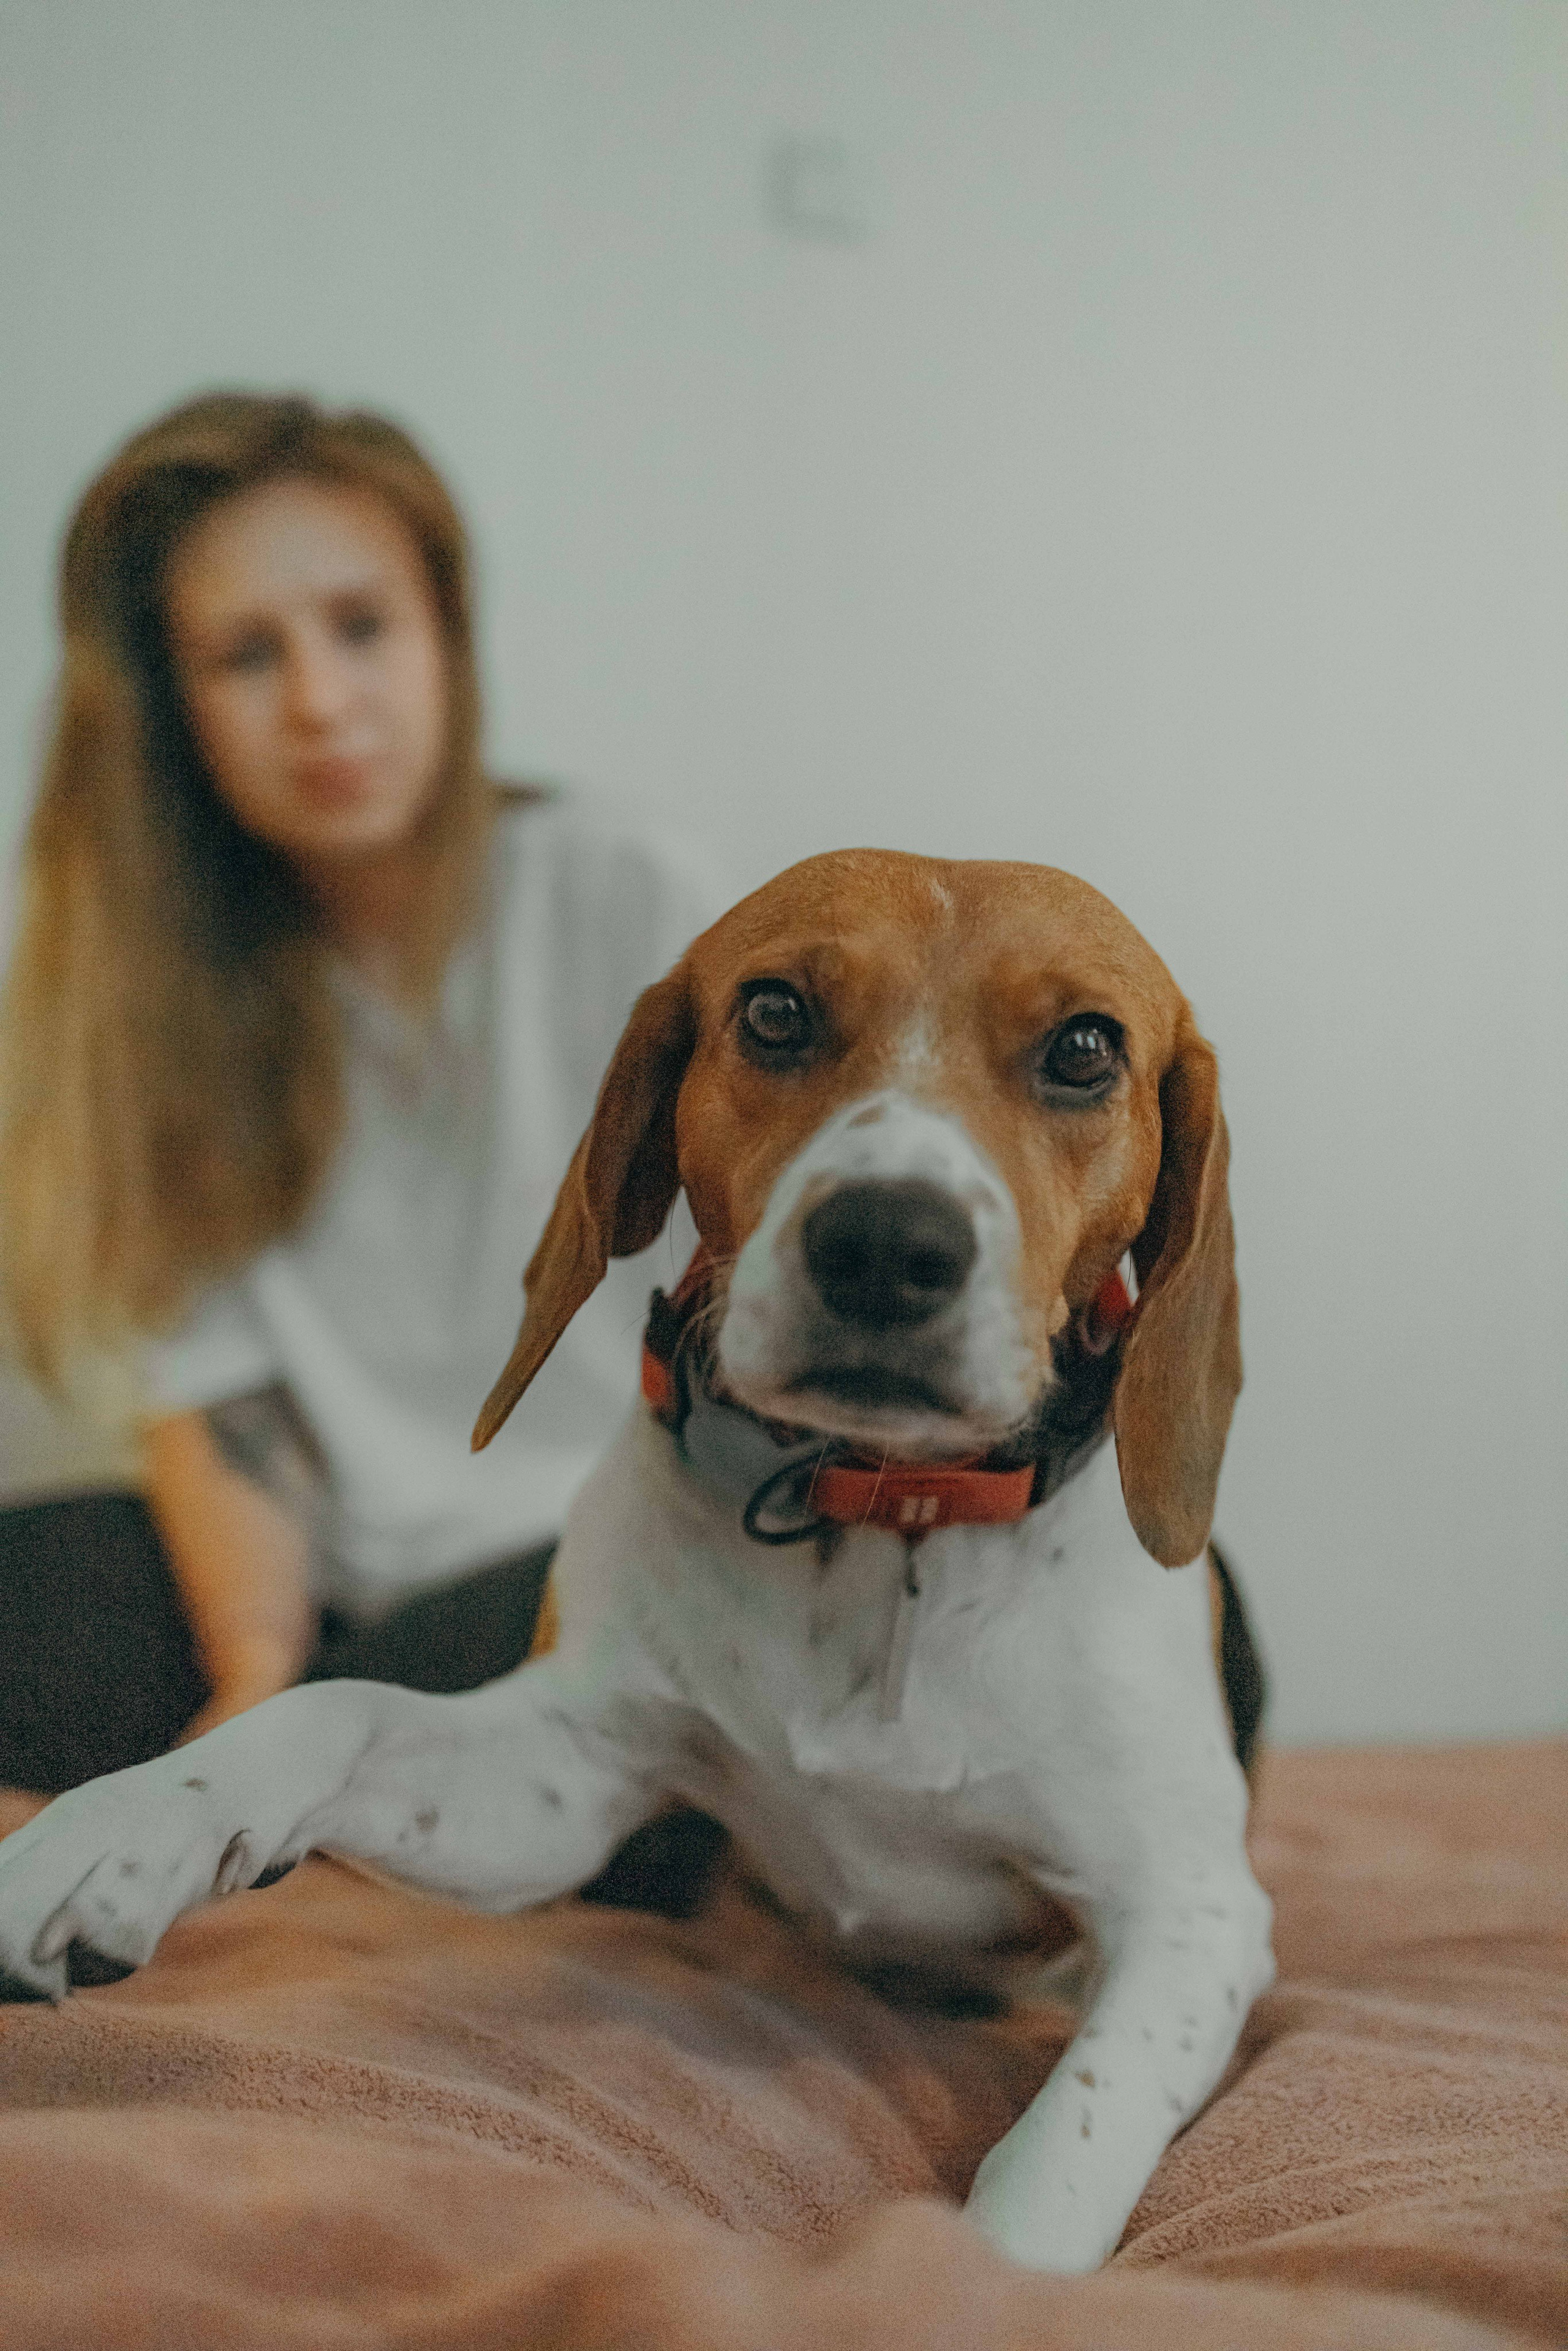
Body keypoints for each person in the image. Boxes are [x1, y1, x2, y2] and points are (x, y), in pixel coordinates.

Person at [0, 391, 720, 1803]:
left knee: (502, 1678)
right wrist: (253, 1685)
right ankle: (335, 1782)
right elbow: (222, 1403)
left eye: (361, 625)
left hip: (615, 1556)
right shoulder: (152, 996)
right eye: (245, 655)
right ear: (169, 707)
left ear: (446, 632)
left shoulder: (631, 894)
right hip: (348, 1584)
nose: (321, 701)